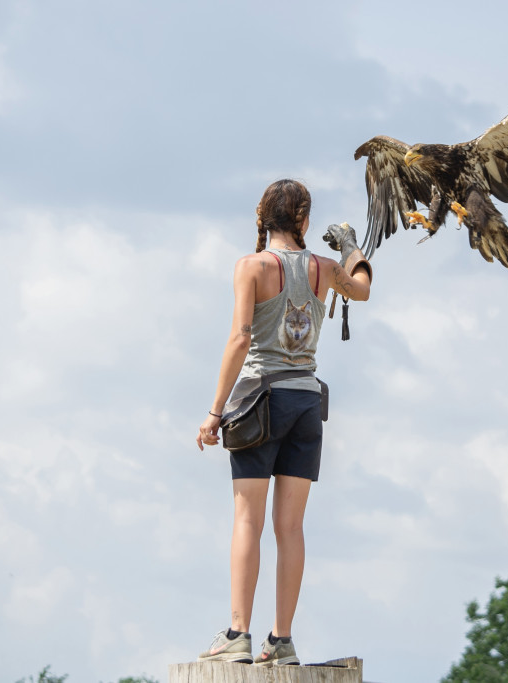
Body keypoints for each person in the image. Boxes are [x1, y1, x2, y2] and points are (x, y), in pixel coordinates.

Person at [195, 179, 372, 666]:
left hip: (259, 400)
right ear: (305, 221)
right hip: (306, 404)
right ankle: (283, 641)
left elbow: (239, 340)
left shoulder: (251, 266)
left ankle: (237, 634)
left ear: (263, 217)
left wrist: (215, 412)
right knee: (290, 526)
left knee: (247, 520)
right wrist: (353, 245)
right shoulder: (326, 268)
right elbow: (362, 290)